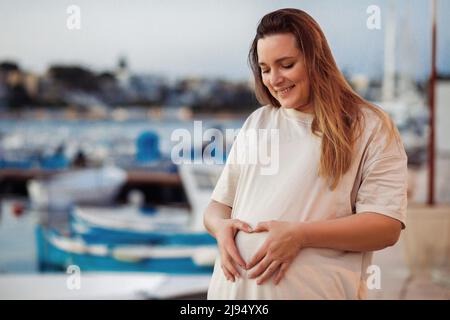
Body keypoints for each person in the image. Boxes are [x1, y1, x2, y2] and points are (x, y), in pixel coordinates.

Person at [203, 8, 408, 300]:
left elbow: (385, 227)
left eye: (286, 65)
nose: (274, 79)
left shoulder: (370, 127)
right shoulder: (258, 122)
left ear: (316, 61)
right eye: (265, 68)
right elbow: (217, 207)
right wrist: (221, 228)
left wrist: (300, 235)